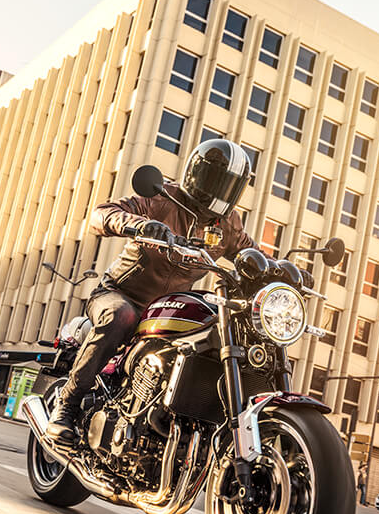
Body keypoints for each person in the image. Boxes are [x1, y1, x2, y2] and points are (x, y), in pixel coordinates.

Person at [46, 139, 256, 445]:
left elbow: (249, 253)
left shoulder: (227, 224)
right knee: (120, 316)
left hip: (168, 310)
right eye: (216, 180)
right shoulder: (162, 198)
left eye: (230, 185)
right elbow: (102, 214)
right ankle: (67, 405)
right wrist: (139, 225)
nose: (221, 191)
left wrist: (282, 269)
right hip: (120, 294)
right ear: (198, 174)